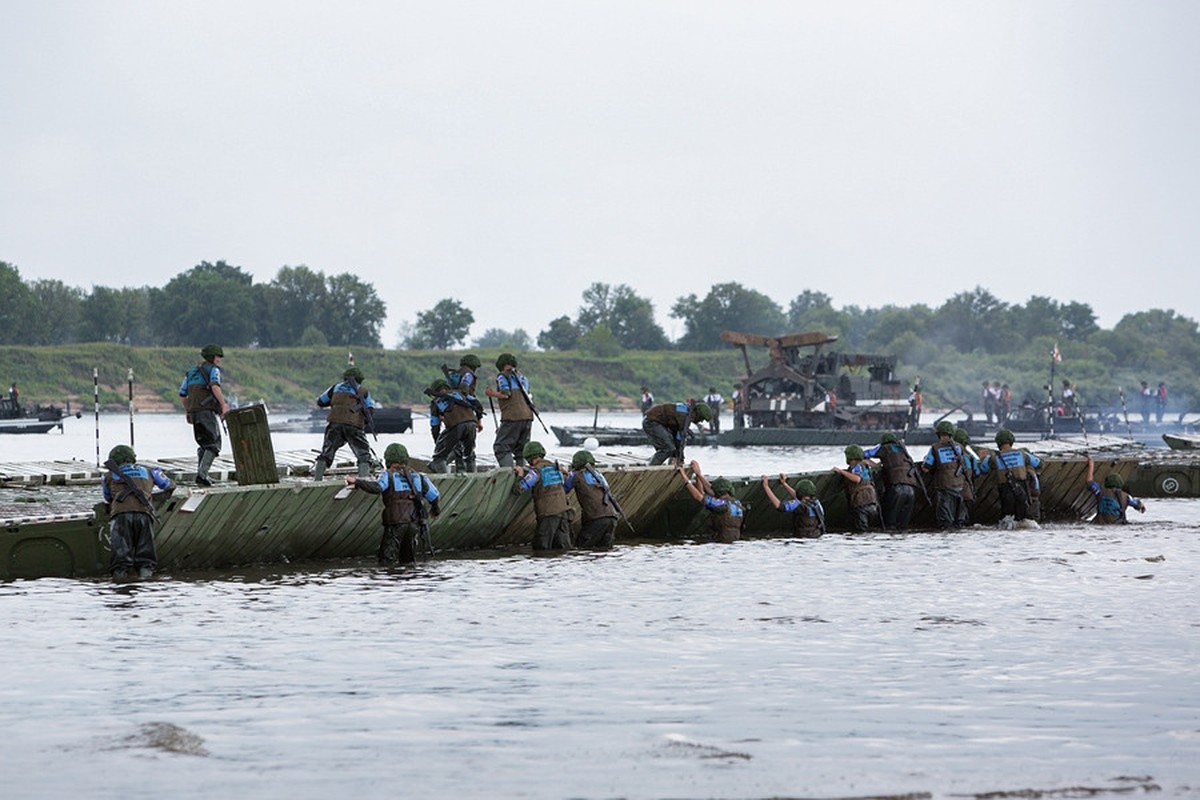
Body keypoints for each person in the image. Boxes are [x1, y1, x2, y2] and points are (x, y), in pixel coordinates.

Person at [346, 443, 440, 564]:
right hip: (413, 524)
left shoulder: (388, 476)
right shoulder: (419, 477)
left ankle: (391, 581)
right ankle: (411, 581)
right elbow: (434, 496)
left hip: (395, 524)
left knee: (387, 560)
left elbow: (377, 488)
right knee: (408, 560)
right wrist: (435, 509)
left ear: (388, 460)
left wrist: (357, 482)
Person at [102, 444, 173, 579]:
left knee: (120, 558)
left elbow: (107, 496)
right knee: (145, 558)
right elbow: (168, 485)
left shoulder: (108, 475)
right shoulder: (151, 472)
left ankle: (120, 583)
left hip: (120, 516)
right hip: (144, 513)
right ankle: (145, 582)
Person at [311, 366, 378, 480]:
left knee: (327, 453)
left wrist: (337, 403)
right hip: (354, 426)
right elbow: (370, 410)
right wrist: (364, 423)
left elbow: (321, 402)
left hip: (334, 424)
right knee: (363, 455)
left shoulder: (335, 388)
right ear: (359, 379)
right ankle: (363, 481)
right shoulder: (363, 391)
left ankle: (317, 480)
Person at [179, 343, 230, 486]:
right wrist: (223, 405)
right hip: (206, 411)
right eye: (218, 357)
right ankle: (202, 475)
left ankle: (202, 474)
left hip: (194, 412)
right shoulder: (214, 370)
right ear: (212, 357)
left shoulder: (191, 372)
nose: (219, 359)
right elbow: (215, 386)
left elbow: (183, 394)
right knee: (214, 444)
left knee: (203, 443)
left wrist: (188, 411)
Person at [976, 429, 1042, 530]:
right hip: (1021, 492)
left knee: (1007, 523)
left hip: (1005, 493)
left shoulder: (994, 458)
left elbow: (982, 469)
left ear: (998, 442)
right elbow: (1039, 463)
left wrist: (983, 458)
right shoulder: (1022, 454)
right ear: (1011, 441)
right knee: (1024, 521)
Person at [514, 441, 572, 551]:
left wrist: (520, 475)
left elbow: (519, 489)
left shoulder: (536, 471)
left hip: (548, 515)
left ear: (530, 458)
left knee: (541, 549)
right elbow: (566, 482)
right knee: (562, 550)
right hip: (564, 513)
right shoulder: (556, 468)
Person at [863, 432, 921, 530]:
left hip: (897, 488)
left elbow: (863, 454)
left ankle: (891, 544)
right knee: (903, 526)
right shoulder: (903, 450)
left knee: (890, 524)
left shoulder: (884, 448)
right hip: (911, 489)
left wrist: (873, 464)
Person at [485, 353, 534, 468]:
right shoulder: (522, 378)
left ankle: (508, 475)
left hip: (512, 417)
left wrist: (491, 393)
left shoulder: (503, 376)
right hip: (527, 417)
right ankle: (521, 475)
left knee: (501, 447)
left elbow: (506, 394)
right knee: (521, 450)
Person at [678, 459, 744, 543]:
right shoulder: (737, 503)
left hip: (722, 539)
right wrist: (698, 475)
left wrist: (684, 476)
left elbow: (698, 496)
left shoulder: (721, 505)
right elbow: (704, 493)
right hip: (734, 538)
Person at [428, 378, 485, 473]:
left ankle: (444, 479)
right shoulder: (460, 393)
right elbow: (478, 405)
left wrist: (437, 442)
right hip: (471, 424)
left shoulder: (436, 402)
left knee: (439, 458)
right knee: (468, 454)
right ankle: (472, 477)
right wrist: (479, 421)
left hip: (456, 426)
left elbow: (435, 426)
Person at [565, 450, 618, 550]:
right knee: (604, 550)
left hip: (597, 518)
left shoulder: (576, 475)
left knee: (581, 548)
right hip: (612, 516)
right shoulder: (599, 475)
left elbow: (564, 489)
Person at [921, 420, 968, 530]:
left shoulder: (935, 448)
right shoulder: (959, 447)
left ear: (938, 434)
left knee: (945, 522)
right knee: (958, 523)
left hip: (944, 487)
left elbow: (926, 468)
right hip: (959, 487)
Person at [642, 401, 712, 466]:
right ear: (698, 415)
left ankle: (670, 466)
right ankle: (650, 468)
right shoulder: (684, 417)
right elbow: (679, 440)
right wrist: (680, 457)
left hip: (657, 422)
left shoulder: (686, 412)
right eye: (702, 419)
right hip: (651, 422)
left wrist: (679, 456)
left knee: (671, 448)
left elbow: (676, 435)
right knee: (668, 448)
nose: (701, 421)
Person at [831, 444, 880, 532]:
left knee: (861, 532)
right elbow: (876, 466)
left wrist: (841, 471)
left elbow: (856, 479)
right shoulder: (865, 465)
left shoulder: (856, 466)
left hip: (862, 504)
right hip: (872, 503)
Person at [1085, 456, 1145, 524]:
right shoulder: (1126, 497)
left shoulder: (1100, 492)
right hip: (1117, 524)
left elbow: (1089, 482)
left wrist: (1091, 465)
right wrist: (1141, 506)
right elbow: (1137, 504)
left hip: (1100, 524)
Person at [760, 474, 825, 538]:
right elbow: (798, 496)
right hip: (817, 535)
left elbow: (779, 506)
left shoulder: (800, 506)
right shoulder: (816, 503)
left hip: (803, 538)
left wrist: (766, 486)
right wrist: (784, 484)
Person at [953, 428, 978, 527]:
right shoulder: (971, 457)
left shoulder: (950, 454)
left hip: (954, 493)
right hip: (969, 495)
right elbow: (977, 472)